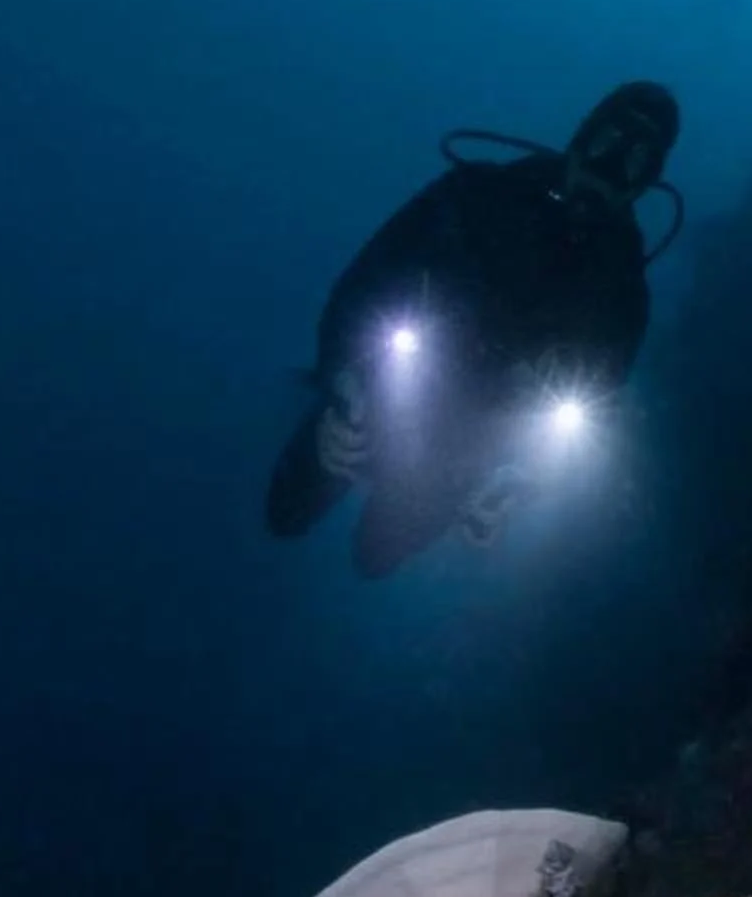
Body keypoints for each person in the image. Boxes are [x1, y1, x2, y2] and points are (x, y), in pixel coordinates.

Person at [268, 81, 682, 575]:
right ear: (582, 136)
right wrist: (340, 378)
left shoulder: (623, 292)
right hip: (372, 398)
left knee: (375, 560)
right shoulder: (476, 194)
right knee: (283, 515)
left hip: (462, 454)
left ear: (648, 180)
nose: (611, 168)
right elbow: (363, 284)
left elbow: (593, 415)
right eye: (608, 142)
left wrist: (520, 484)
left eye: (637, 159)